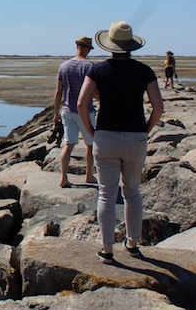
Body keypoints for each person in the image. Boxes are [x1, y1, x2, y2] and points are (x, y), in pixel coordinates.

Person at [78, 21, 164, 263]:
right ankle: (133, 244)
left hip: (106, 135)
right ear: (130, 46)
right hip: (135, 136)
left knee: (105, 194)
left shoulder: (98, 70)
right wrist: (146, 130)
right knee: (132, 192)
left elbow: (81, 103)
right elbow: (158, 107)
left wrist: (92, 130)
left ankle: (107, 249)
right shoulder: (144, 71)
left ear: (110, 46)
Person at [53, 36, 97, 187]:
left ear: (77, 46)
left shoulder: (64, 66)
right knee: (90, 145)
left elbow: (58, 92)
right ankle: (89, 175)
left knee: (68, 145)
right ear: (86, 48)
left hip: (67, 110)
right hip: (85, 111)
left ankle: (63, 178)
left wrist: (55, 113)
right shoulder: (90, 66)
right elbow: (94, 92)